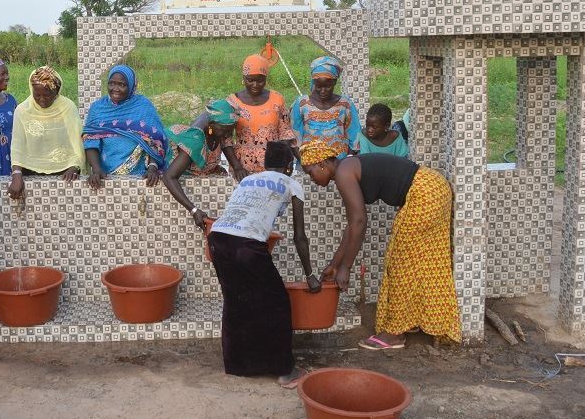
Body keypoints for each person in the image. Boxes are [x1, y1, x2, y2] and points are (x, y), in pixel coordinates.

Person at [299, 140, 461, 348]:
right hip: (434, 188)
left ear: (321, 164)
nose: (311, 179)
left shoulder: (343, 174)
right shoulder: (347, 168)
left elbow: (359, 222)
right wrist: (335, 264)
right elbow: (352, 226)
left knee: (401, 267)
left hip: (424, 195)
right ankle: (412, 319)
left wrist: (346, 268)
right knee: (424, 263)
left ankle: (394, 334)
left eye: (310, 172)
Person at [206, 141, 320, 387]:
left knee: (236, 301)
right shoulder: (292, 184)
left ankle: (237, 365)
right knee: (277, 304)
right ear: (290, 166)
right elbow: (300, 236)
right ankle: (285, 370)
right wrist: (309, 274)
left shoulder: (247, 180)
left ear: (265, 164)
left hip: (217, 238)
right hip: (246, 245)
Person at [83, 64, 168, 190]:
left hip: (141, 174)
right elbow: (90, 141)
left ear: (132, 86)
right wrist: (96, 170)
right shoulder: (98, 108)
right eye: (112, 83)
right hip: (105, 174)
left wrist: (152, 168)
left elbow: (155, 141)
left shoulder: (143, 107)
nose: (115, 89)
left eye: (122, 85)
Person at [8, 66, 84, 199]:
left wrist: (74, 166)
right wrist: (17, 174)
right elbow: (17, 145)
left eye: (47, 95)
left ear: (57, 92)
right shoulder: (23, 110)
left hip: (64, 170)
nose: (42, 99)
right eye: (37, 95)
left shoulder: (68, 108)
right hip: (30, 169)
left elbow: (76, 139)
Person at [161, 99, 240, 225]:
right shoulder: (196, 140)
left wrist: (237, 167)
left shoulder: (219, 128)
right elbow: (169, 177)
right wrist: (193, 210)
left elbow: (225, 142)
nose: (227, 135)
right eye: (224, 130)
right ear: (211, 125)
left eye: (231, 131)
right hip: (164, 167)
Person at [226, 54, 296, 180]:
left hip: (273, 166)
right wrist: (237, 167)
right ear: (243, 78)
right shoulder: (233, 102)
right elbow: (226, 139)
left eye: (260, 80)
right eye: (250, 80)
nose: (255, 85)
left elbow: (285, 133)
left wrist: (280, 163)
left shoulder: (277, 99)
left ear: (266, 78)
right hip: (243, 168)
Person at [290, 56, 361, 159]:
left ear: (335, 82)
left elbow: (354, 134)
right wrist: (304, 162)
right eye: (319, 87)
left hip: (339, 162)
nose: (323, 91)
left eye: (327, 86)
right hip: (310, 164)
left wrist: (348, 159)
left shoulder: (345, 104)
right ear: (314, 83)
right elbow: (294, 136)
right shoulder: (301, 104)